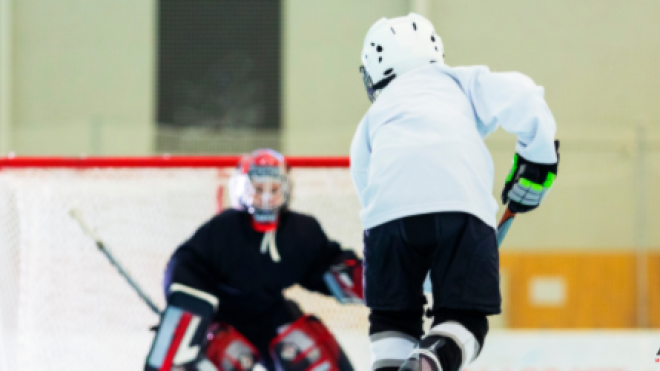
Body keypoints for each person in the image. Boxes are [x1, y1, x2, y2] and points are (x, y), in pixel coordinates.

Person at [350, 13, 559, 371]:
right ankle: (428, 364)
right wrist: (538, 162)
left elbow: (366, 187)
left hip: (385, 220)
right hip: (460, 207)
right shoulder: (459, 81)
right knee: (466, 320)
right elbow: (524, 96)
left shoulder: (373, 118)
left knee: (392, 321)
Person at [144, 149, 363, 371]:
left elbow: (322, 264)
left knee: (308, 349)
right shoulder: (224, 229)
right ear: (242, 189)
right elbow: (187, 266)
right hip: (223, 317)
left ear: (286, 189)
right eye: (258, 189)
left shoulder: (300, 231)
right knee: (227, 357)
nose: (267, 197)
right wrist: (192, 313)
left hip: (271, 314)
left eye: (274, 189)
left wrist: (362, 278)